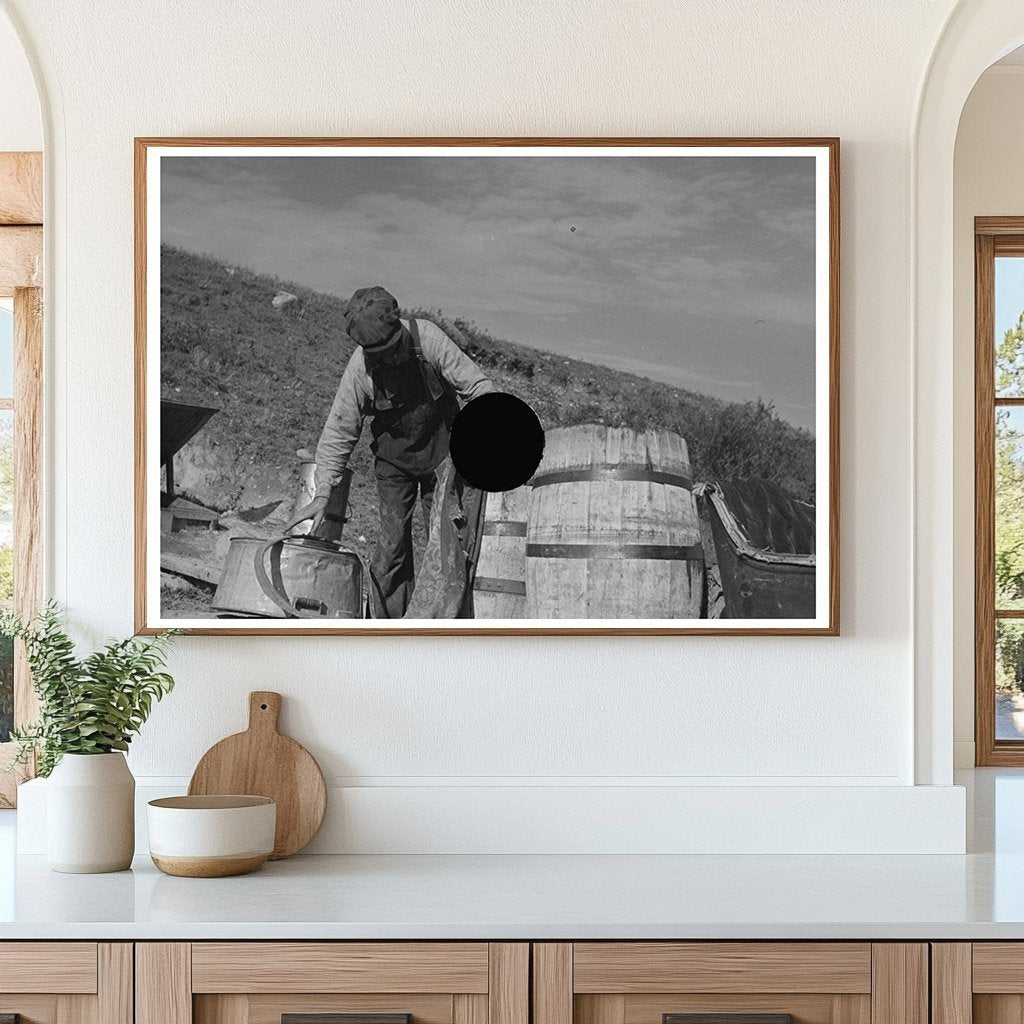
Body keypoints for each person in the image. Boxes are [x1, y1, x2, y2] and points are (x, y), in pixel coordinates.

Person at [287, 286, 496, 617]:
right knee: (390, 548)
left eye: (387, 348)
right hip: (394, 464)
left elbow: (478, 387)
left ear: (398, 327)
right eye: (375, 352)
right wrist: (323, 491)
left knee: (447, 546)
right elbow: (341, 428)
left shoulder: (427, 338)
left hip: (444, 458)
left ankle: (449, 625)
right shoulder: (362, 367)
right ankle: (387, 626)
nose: (383, 357)